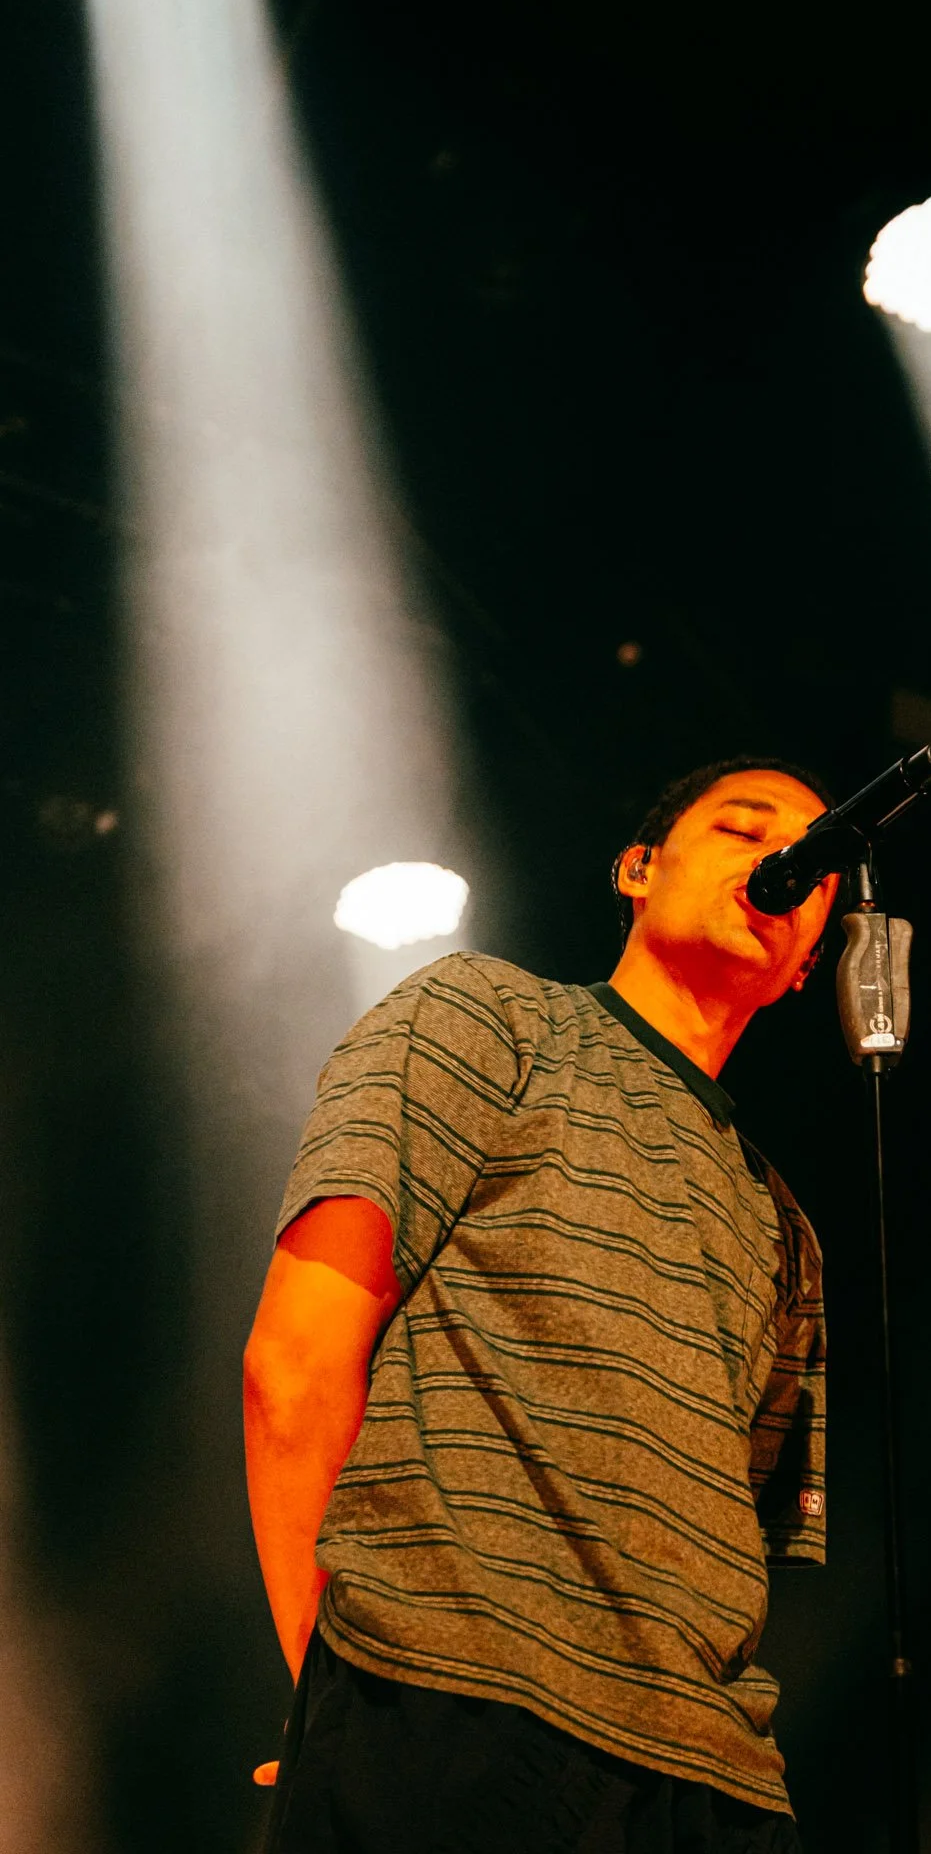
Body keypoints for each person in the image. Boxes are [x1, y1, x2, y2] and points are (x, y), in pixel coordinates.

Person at [244, 757, 841, 1853]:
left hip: (718, 1781)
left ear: (810, 962)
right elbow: (296, 1360)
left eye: (812, 867)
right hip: (453, 1703)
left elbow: (742, 1541)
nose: (780, 863)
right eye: (739, 827)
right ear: (638, 869)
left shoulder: (786, 1226)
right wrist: (330, 1687)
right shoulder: (489, 1015)